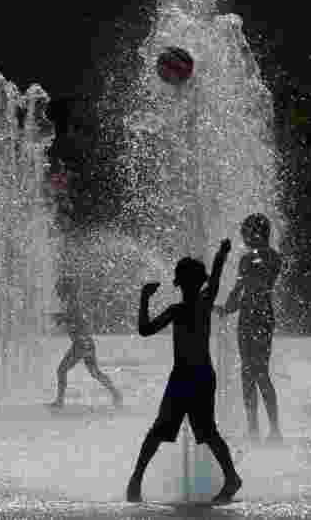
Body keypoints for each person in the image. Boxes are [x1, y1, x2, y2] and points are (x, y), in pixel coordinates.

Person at [126, 239, 242, 504]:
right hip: (195, 376)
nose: (189, 285)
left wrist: (144, 298)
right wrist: (221, 255)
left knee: (180, 431)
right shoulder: (196, 304)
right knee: (200, 432)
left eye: (189, 281)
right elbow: (146, 330)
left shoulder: (184, 308)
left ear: (180, 282)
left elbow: (145, 329)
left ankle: (136, 480)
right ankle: (231, 477)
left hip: (191, 377)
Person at [216, 214, 283, 442]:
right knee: (247, 373)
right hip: (247, 317)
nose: (243, 237)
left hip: (262, 318)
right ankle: (253, 428)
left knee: (260, 372)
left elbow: (260, 279)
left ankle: (274, 430)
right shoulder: (248, 259)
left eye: (245, 232)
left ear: (256, 232)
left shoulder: (272, 257)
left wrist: (231, 302)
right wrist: (224, 309)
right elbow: (237, 292)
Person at [46, 276, 123, 409]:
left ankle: (60, 401)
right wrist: (61, 318)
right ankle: (115, 393)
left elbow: (73, 319)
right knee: (95, 372)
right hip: (87, 342)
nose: (57, 293)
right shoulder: (72, 302)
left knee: (61, 370)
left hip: (80, 344)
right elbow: (74, 320)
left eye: (58, 289)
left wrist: (60, 318)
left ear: (65, 290)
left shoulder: (72, 303)